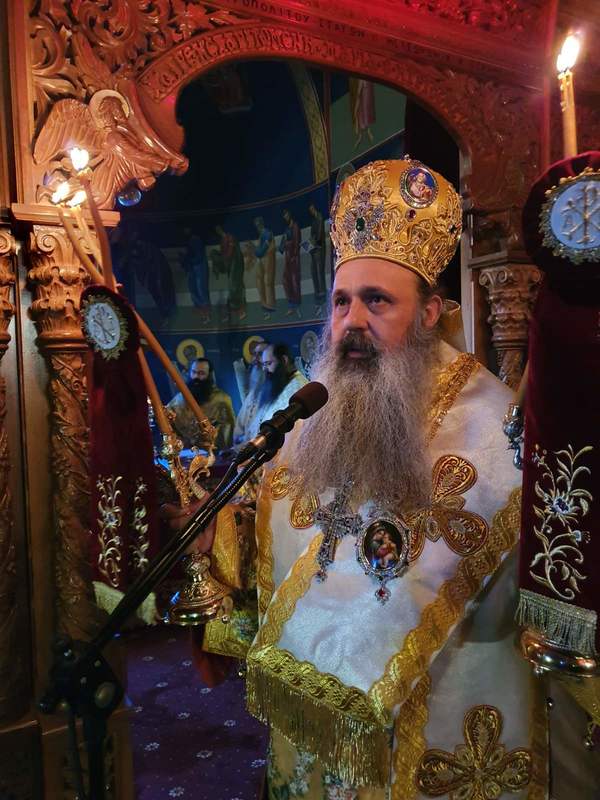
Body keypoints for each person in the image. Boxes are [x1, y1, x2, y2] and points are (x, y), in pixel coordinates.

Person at [183, 159, 597, 798]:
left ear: (430, 313)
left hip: (439, 722)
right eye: (342, 301)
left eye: (377, 300)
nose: (352, 321)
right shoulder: (307, 411)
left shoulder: (496, 430)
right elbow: (280, 532)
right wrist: (221, 528)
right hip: (317, 743)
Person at [167, 357, 235, 451]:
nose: (196, 377)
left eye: (201, 373)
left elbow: (228, 432)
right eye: (193, 372)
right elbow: (168, 425)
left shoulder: (222, 400)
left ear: (209, 375)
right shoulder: (179, 399)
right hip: (185, 452)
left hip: (212, 453)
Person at [233, 340, 269, 446]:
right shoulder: (252, 394)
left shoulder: (276, 393)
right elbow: (239, 428)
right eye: (254, 354)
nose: (255, 359)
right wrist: (236, 446)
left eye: (260, 354)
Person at [212, 225, 246, 322]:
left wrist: (224, 260)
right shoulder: (223, 240)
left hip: (236, 264)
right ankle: (234, 310)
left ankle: (240, 311)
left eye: (219, 229)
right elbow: (224, 254)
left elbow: (229, 253)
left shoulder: (230, 237)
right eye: (217, 230)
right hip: (230, 265)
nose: (218, 231)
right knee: (233, 287)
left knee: (235, 286)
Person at [181, 227, 211, 323]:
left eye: (187, 229)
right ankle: (202, 311)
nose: (185, 231)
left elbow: (198, 257)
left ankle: (206, 314)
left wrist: (187, 258)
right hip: (193, 268)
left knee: (201, 290)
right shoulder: (190, 241)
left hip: (198, 267)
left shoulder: (196, 240)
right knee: (194, 290)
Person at [253, 217, 277, 318]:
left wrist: (260, 252)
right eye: (256, 225)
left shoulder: (268, 233)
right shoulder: (261, 236)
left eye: (258, 224)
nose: (257, 227)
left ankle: (270, 305)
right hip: (262, 261)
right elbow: (258, 251)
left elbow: (266, 249)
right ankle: (264, 304)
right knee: (259, 280)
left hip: (268, 260)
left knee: (268, 282)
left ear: (261, 224)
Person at [279, 209, 301, 317]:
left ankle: (296, 305)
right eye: (284, 216)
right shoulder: (286, 229)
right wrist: (284, 244)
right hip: (287, 257)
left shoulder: (295, 226)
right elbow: (281, 247)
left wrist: (294, 255)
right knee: (285, 280)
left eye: (286, 215)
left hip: (293, 257)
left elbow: (296, 241)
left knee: (294, 281)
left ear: (290, 215)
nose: (285, 217)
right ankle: (291, 304)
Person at [308, 203, 327, 314]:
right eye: (309, 210)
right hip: (314, 249)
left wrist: (313, 242)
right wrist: (310, 244)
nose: (311, 211)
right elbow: (312, 236)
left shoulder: (319, 217)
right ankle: (317, 294)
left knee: (319, 272)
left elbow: (319, 236)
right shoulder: (313, 221)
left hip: (319, 248)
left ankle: (322, 296)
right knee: (313, 271)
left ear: (314, 208)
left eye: (312, 208)